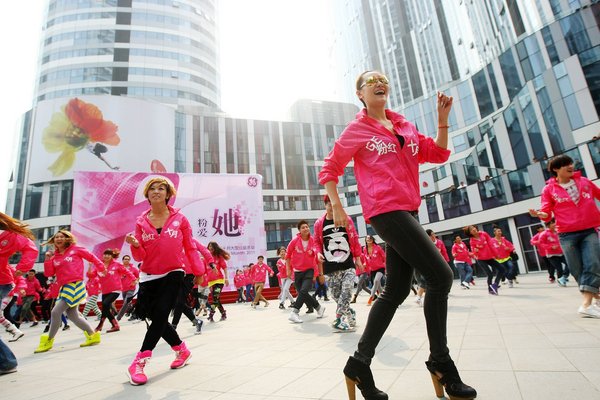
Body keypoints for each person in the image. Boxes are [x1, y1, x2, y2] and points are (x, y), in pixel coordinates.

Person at [319, 71, 476, 400]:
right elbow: (330, 168)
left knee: (396, 291)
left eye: (384, 80)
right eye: (372, 81)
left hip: (409, 211)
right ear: (360, 93)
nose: (380, 83)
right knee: (440, 277)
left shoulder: (404, 126)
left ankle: (358, 365)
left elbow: (438, 153)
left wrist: (443, 120)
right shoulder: (358, 129)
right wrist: (336, 205)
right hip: (385, 211)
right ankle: (441, 364)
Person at [125, 176, 205, 385]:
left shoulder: (180, 218)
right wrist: (134, 244)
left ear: (168, 194)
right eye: (153, 188)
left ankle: (139, 361)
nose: (157, 191)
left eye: (162, 188)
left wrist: (198, 269)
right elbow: (140, 257)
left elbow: (190, 246)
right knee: (156, 318)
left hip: (174, 272)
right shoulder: (141, 221)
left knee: (161, 313)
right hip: (149, 275)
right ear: (147, 195)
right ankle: (181, 350)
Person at [529, 154, 600, 318]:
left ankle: (586, 304)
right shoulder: (549, 189)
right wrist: (538, 213)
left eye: (570, 163)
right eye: (564, 165)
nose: (570, 166)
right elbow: (546, 213)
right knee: (577, 270)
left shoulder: (584, 182)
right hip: (567, 234)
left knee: (593, 263)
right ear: (555, 169)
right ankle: (595, 299)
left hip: (589, 230)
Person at [35, 230, 103, 353]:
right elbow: (49, 273)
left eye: (62, 237)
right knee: (72, 314)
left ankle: (48, 340)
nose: (59, 239)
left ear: (67, 239)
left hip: (75, 284)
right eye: (56, 237)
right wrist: (47, 260)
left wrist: (101, 267)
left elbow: (91, 257)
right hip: (64, 287)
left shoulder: (76, 249)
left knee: (55, 312)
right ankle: (92, 335)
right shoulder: (55, 256)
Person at [314, 194, 364, 332]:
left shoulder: (346, 219)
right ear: (325, 205)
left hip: (347, 262)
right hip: (330, 265)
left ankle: (338, 319)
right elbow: (317, 242)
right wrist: (318, 252)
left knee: (347, 290)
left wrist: (358, 257)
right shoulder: (319, 223)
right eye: (328, 203)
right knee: (336, 295)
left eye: (334, 202)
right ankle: (349, 312)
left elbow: (354, 238)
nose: (331, 205)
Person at [0, 212, 38, 372]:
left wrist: (22, 269)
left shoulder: (7, 236)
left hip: (2, 282)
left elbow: (30, 248)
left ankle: (7, 362)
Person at [285, 220, 326, 324]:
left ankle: (294, 312)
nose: (306, 229)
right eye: (303, 227)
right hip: (297, 271)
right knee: (303, 293)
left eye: (307, 227)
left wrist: (321, 274)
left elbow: (318, 257)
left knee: (303, 291)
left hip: (309, 270)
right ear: (299, 230)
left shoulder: (313, 241)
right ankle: (319, 307)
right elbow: (288, 255)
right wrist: (288, 269)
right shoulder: (294, 241)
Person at [91, 248, 135, 333]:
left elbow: (127, 272)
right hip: (105, 290)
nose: (106, 256)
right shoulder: (100, 265)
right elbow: (91, 275)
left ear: (112, 256)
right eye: (105, 254)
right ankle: (115, 325)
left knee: (105, 304)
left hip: (116, 289)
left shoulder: (117, 264)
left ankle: (100, 325)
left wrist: (133, 279)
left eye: (109, 254)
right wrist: (89, 266)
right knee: (106, 308)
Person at [464, 225, 505, 295]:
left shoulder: (484, 234)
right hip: (481, 259)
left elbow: (491, 244)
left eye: (473, 228)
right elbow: (474, 252)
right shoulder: (472, 241)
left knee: (502, 269)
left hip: (489, 257)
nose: (473, 229)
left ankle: (495, 285)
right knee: (490, 274)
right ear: (470, 233)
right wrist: (475, 252)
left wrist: (496, 254)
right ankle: (491, 290)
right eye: (471, 230)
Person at [539, 220, 570, 287]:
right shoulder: (544, 234)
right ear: (548, 225)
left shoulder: (558, 232)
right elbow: (541, 244)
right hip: (552, 255)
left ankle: (564, 276)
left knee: (570, 264)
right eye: (552, 223)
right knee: (559, 269)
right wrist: (551, 247)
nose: (554, 224)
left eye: (554, 222)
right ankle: (560, 281)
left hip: (561, 253)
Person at [206, 241, 229, 322]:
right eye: (209, 246)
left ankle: (211, 314)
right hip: (210, 282)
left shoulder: (219, 256)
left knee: (215, 298)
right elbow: (205, 271)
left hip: (219, 281)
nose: (210, 248)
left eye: (212, 246)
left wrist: (226, 278)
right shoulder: (206, 257)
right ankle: (223, 313)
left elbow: (224, 267)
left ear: (215, 248)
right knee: (216, 299)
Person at [362, 235, 386, 305]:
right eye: (367, 239)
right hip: (372, 270)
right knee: (378, 287)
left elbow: (384, 257)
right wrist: (364, 264)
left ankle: (371, 297)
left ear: (372, 240)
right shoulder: (364, 249)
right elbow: (365, 260)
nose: (369, 240)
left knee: (376, 281)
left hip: (380, 268)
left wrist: (386, 266)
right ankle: (384, 298)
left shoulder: (377, 247)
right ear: (365, 240)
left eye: (370, 239)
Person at [116, 255, 139, 321]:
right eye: (125, 259)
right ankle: (134, 314)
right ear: (122, 260)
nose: (127, 260)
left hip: (131, 288)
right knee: (128, 304)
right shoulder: (120, 268)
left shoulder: (133, 268)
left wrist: (135, 282)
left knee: (126, 302)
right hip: (123, 289)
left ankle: (118, 318)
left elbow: (138, 276)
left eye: (128, 259)